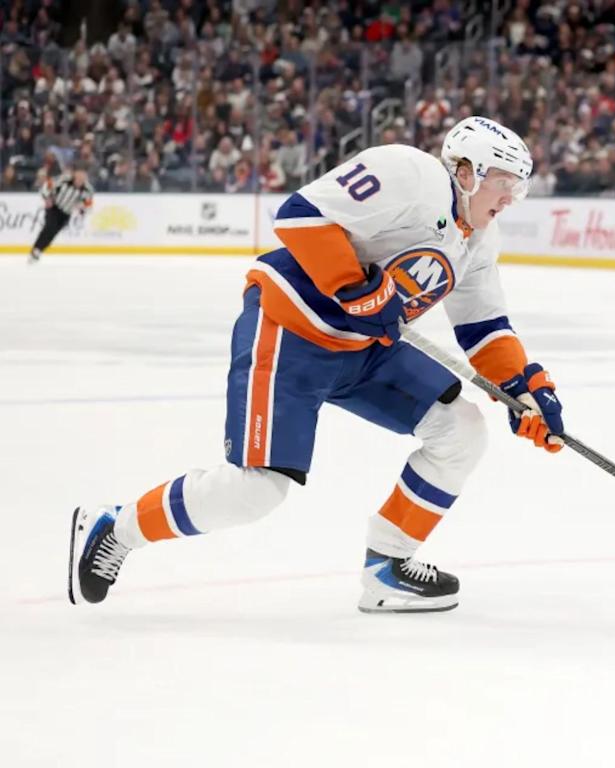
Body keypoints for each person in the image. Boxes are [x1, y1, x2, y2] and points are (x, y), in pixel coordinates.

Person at [69, 116, 566, 613]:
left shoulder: (480, 239)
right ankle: (116, 528)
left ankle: (387, 568)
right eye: (504, 184)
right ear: (466, 171)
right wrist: (356, 287)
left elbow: (484, 327)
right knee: (256, 491)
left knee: (462, 430)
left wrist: (522, 388)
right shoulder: (409, 174)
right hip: (292, 327)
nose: (509, 199)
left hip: (363, 349)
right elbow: (300, 215)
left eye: (517, 189)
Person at [29, 165, 93, 263]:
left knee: (53, 233)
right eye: (79, 174)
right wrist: (47, 198)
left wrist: (82, 208)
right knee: (50, 227)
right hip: (54, 207)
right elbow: (48, 184)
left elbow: (88, 206)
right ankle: (36, 249)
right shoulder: (64, 180)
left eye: (83, 175)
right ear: (74, 174)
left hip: (66, 213)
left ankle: (38, 250)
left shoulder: (87, 189)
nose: (80, 178)